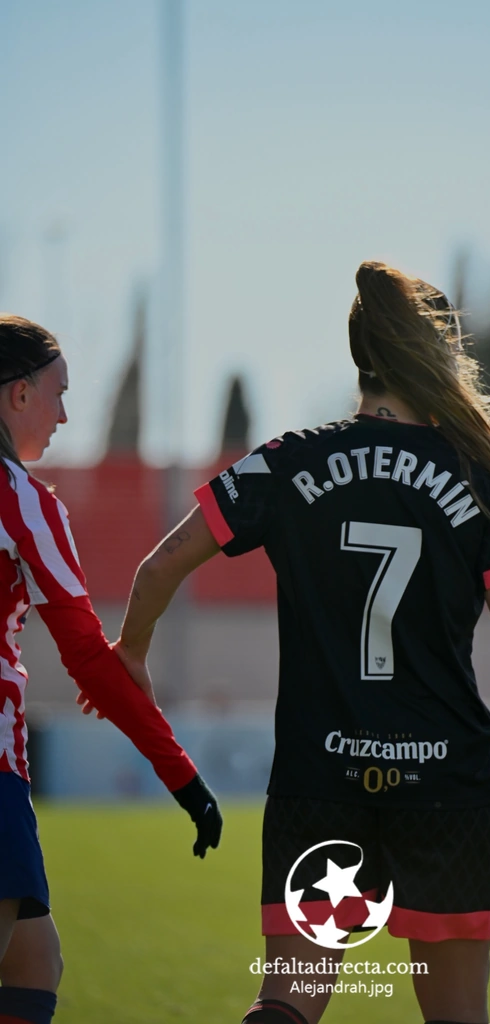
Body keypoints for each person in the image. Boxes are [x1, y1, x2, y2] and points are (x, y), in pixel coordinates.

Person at [114, 262, 490, 1024]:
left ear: (358, 355)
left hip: (319, 779)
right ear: (434, 357)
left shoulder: (282, 461)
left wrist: (131, 654)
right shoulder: (473, 477)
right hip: (447, 788)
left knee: (287, 1003)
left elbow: (158, 566)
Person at [0, 314, 222, 1024]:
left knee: (34, 959)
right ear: (18, 395)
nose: (67, 414)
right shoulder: (24, 502)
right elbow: (92, 662)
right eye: (59, 393)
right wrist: (183, 777)